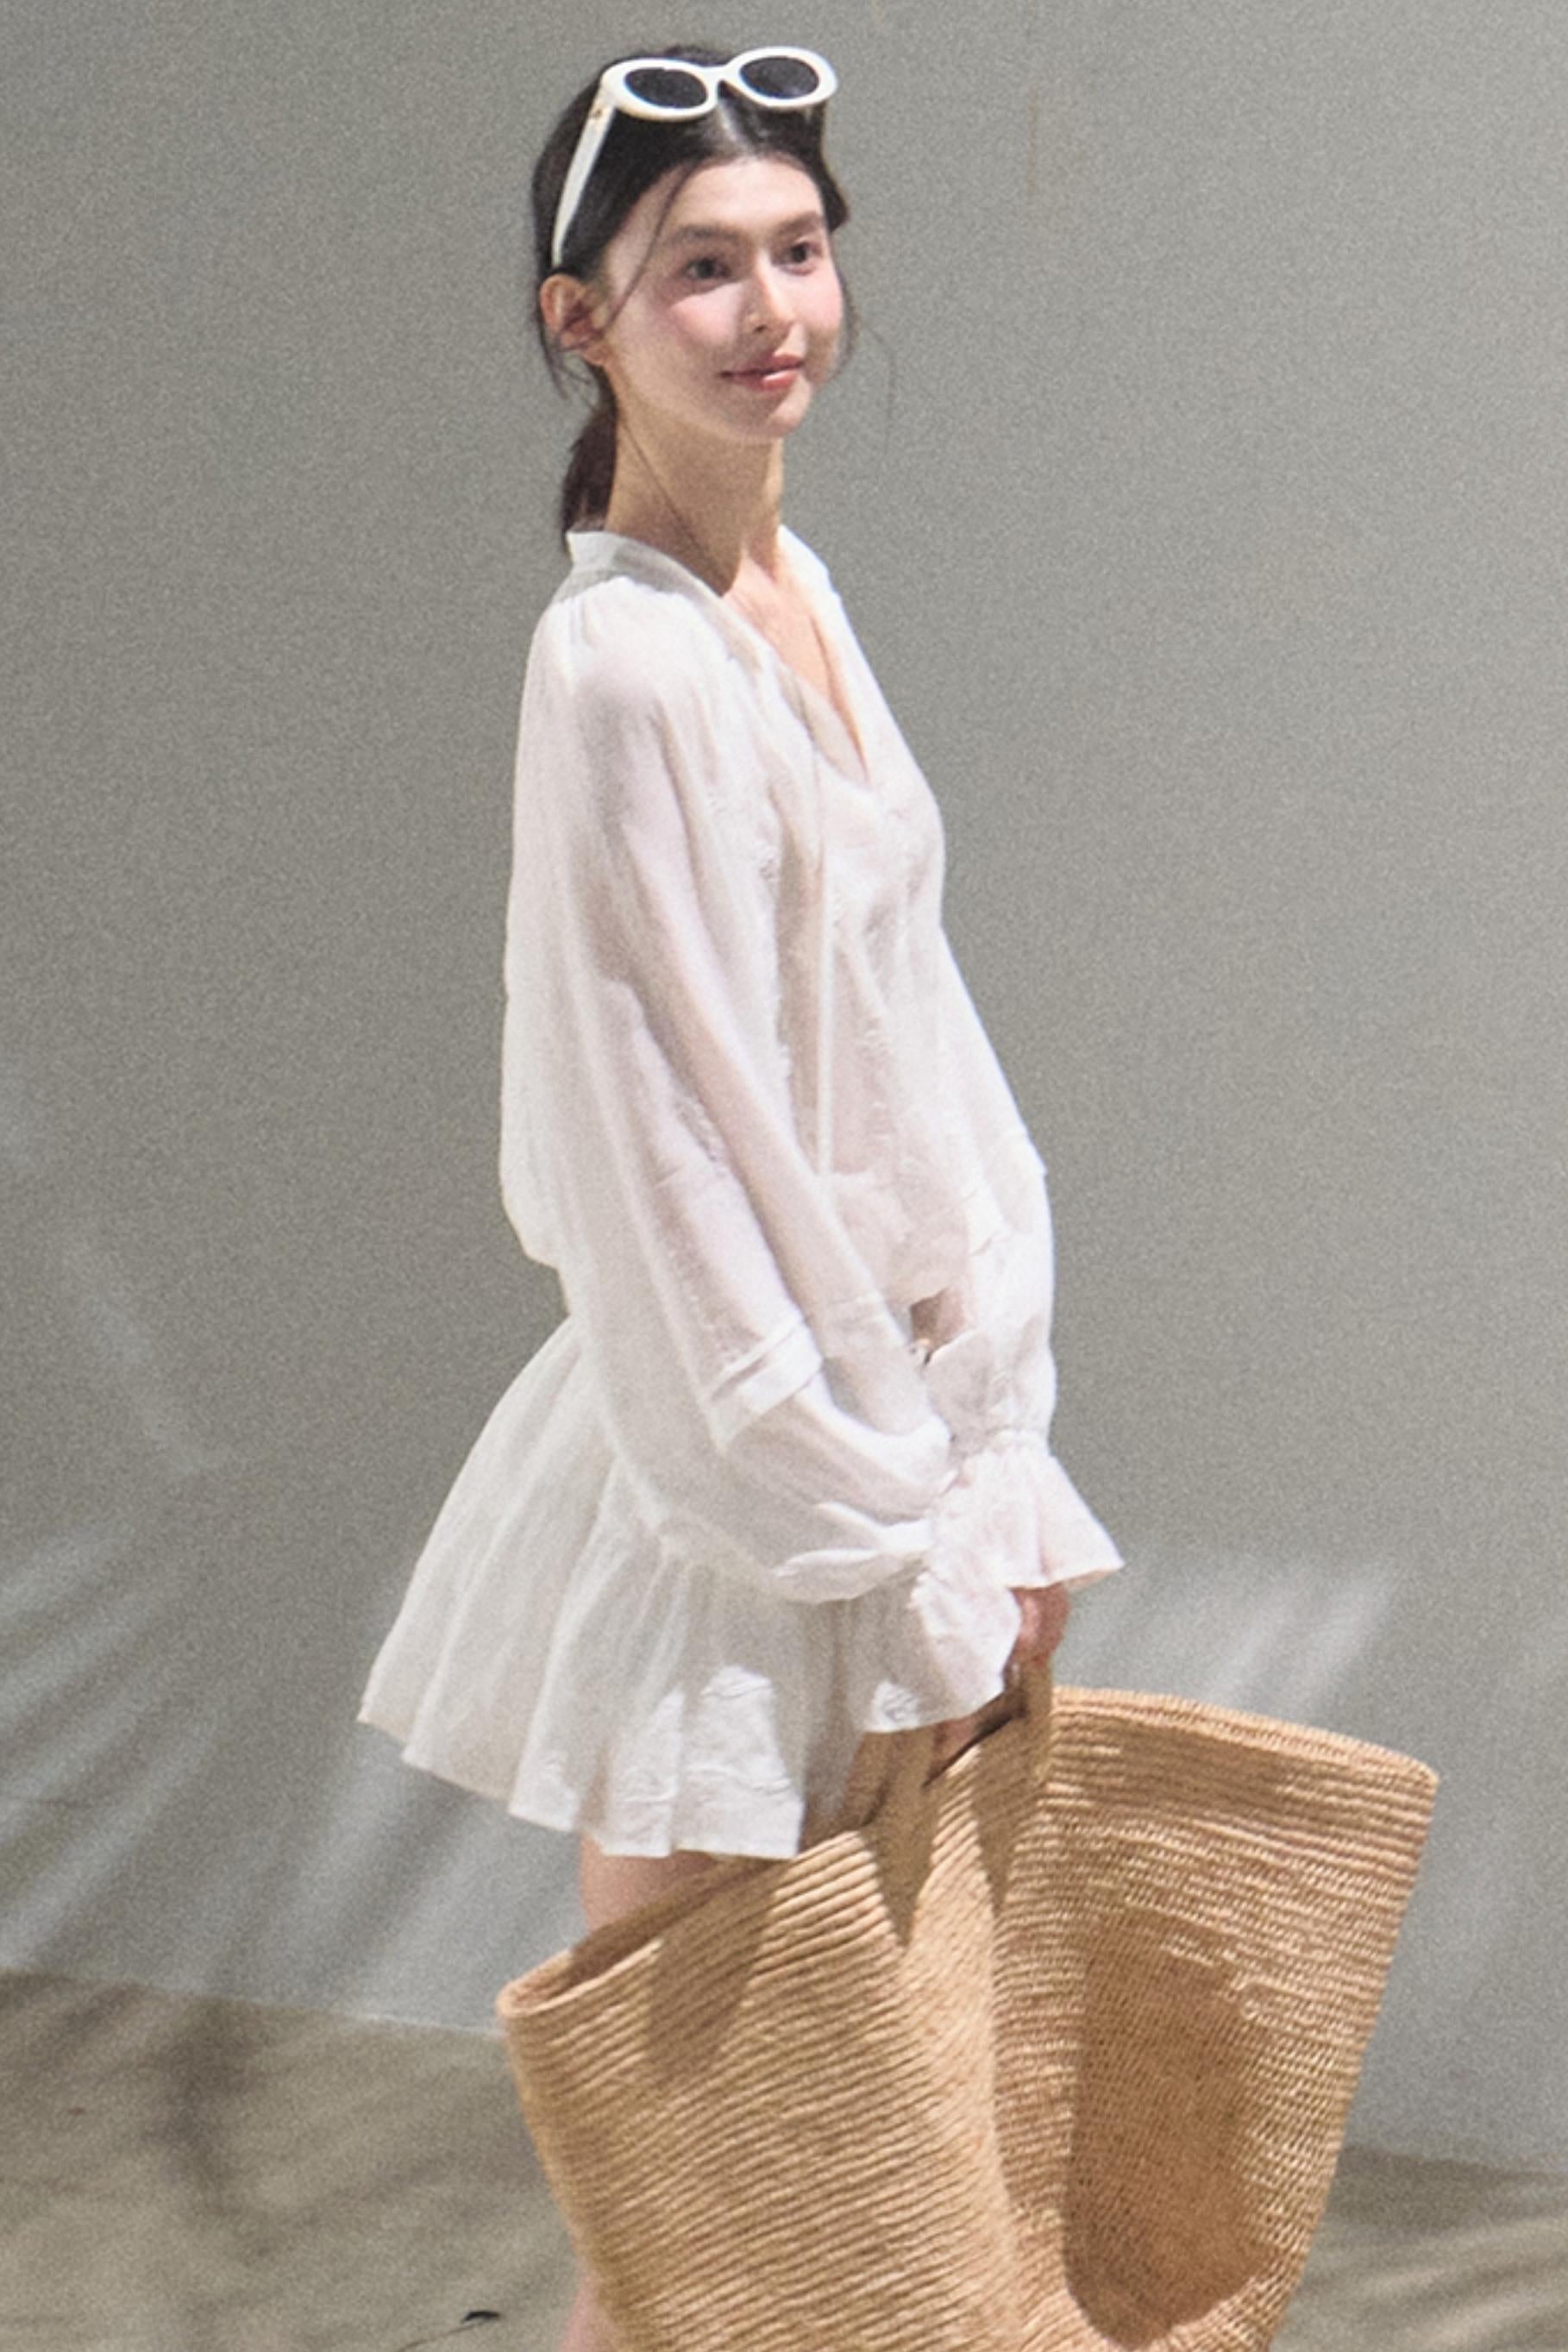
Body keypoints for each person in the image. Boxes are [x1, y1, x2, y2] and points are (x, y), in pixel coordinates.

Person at [357, 42, 1124, 2350]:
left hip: (898, 1443)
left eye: (798, 248)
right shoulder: (616, 666)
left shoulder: (796, 591)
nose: (771, 307)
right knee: (703, 2194)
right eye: (699, 267)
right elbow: (647, 1138)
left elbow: (907, 1030)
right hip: (745, 1483)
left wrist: (990, 1441)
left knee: (842, 2181)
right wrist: (861, 1506)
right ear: (576, 321)